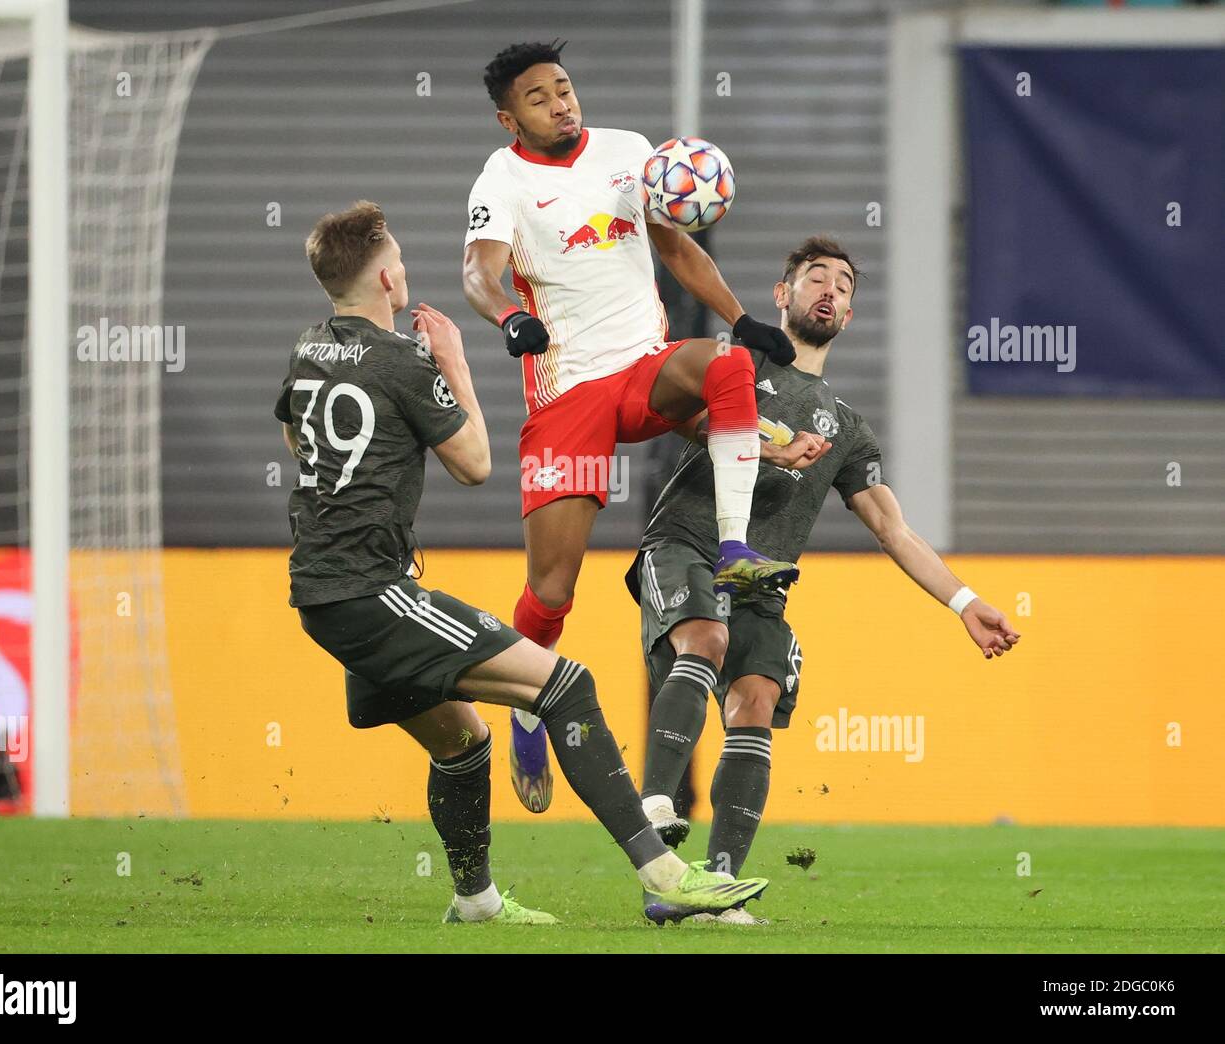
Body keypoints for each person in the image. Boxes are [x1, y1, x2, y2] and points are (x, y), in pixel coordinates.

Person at [273, 200, 771, 925]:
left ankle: (475, 901)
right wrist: (454, 364)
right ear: (387, 278)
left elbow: (296, 439)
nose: (404, 268)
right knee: (567, 686)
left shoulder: (310, 346)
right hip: (370, 592)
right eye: (400, 259)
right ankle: (664, 874)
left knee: (464, 740)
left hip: (324, 590)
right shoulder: (404, 360)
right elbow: (473, 463)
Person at [462, 39, 817, 812]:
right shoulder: (503, 179)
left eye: (564, 88)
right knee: (552, 592)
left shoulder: (629, 154)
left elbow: (674, 246)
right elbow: (478, 272)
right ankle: (526, 706)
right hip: (570, 397)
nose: (560, 102)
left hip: (644, 367)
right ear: (508, 117)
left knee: (726, 365)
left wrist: (743, 318)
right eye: (539, 97)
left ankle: (732, 550)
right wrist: (509, 315)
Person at [626, 236, 1022, 923]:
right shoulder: (736, 365)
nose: (830, 290)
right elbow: (677, 418)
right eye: (816, 278)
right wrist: (774, 449)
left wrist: (964, 602)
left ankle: (717, 888)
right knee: (705, 641)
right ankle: (657, 803)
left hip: (761, 585)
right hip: (687, 543)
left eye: (843, 284)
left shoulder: (845, 429)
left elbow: (893, 530)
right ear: (782, 296)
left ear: (848, 315)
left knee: (756, 699)